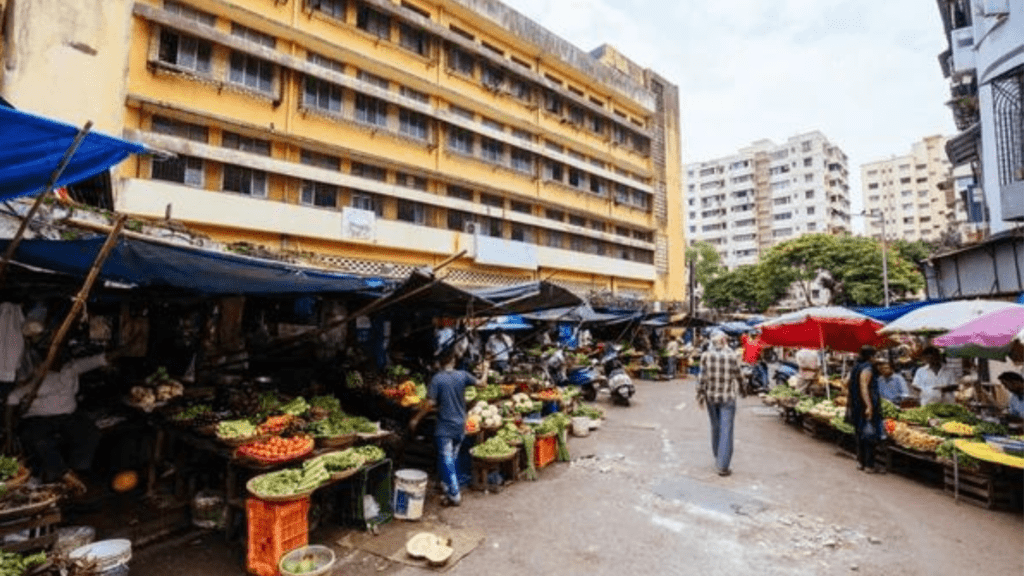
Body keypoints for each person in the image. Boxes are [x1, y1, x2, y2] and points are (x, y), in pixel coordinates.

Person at [7, 348, 120, 493]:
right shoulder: (36, 375)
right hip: (38, 418)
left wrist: (126, 349)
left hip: (69, 416)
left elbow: (101, 358)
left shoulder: (71, 368)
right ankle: (63, 474)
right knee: (38, 440)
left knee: (89, 432)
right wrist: (9, 431)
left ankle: (76, 472)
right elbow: (12, 398)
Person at [409, 350, 483, 506]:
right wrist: (487, 369)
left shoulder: (437, 379)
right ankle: (446, 486)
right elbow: (482, 384)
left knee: (446, 458)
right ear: (454, 360)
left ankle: (455, 494)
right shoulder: (463, 375)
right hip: (460, 424)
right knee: (452, 457)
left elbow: (430, 403)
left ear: (439, 363)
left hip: (445, 426)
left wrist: (416, 418)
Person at [697, 330, 742, 476]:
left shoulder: (706, 356)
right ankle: (722, 465)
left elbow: (701, 378)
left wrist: (700, 396)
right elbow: (739, 375)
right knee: (726, 429)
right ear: (725, 341)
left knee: (715, 427)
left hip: (711, 397)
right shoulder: (732, 356)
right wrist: (744, 390)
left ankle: (718, 456)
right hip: (727, 398)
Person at [847, 346, 883, 473]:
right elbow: (864, 387)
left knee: (860, 433)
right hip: (864, 405)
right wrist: (869, 406)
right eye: (875, 356)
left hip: (857, 405)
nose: (877, 359)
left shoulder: (856, 366)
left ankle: (861, 462)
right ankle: (869, 465)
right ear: (870, 356)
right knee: (869, 435)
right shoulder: (867, 368)